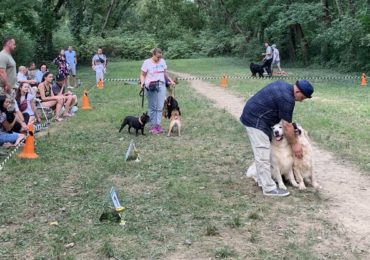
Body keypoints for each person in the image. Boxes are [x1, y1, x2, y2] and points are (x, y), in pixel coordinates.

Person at [240, 80, 314, 197]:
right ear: (298, 91)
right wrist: (295, 144)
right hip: (255, 120)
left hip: (257, 117)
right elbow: (287, 126)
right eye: (303, 97)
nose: (302, 100)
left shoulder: (285, 87)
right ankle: (268, 188)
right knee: (263, 153)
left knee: (264, 152)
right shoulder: (287, 99)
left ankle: (262, 180)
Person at [140, 48, 176, 135]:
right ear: (153, 54)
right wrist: (142, 83)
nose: (159, 59)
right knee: (152, 106)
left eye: (160, 57)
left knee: (160, 107)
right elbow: (142, 74)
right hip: (151, 86)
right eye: (157, 57)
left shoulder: (162, 61)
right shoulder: (146, 63)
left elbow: (165, 73)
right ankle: (153, 126)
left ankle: (158, 125)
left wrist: (171, 80)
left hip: (161, 85)